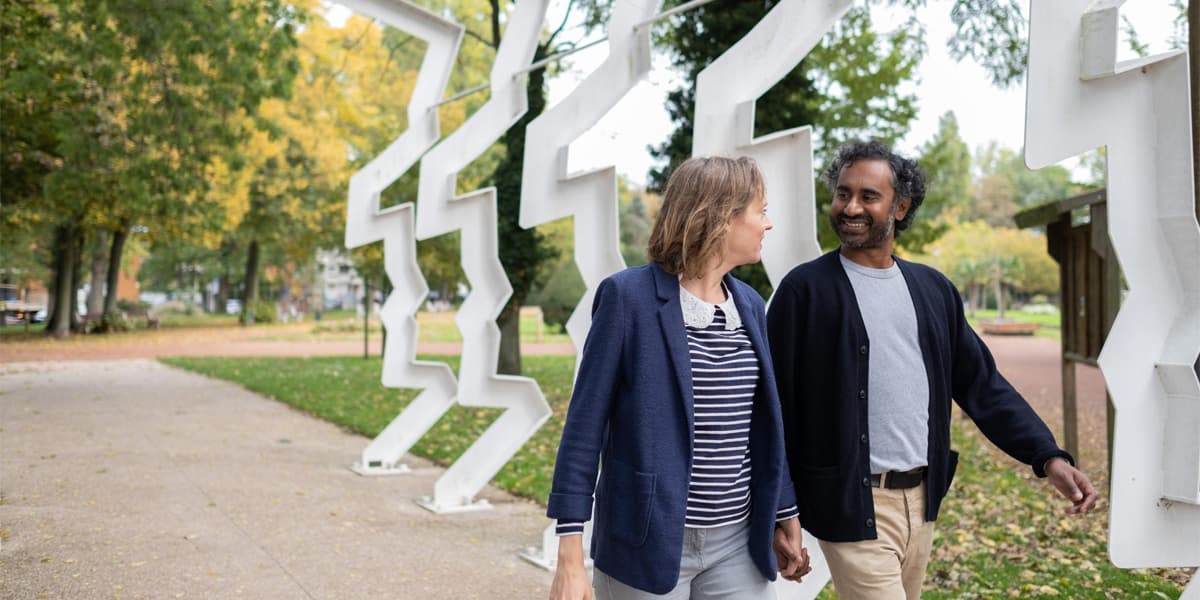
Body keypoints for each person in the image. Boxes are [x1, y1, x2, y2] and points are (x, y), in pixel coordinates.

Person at [766, 140, 1098, 600]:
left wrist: (1047, 456)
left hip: (923, 501)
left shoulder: (933, 290)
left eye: (868, 196)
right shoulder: (804, 291)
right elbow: (772, 407)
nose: (851, 207)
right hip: (850, 501)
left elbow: (982, 384)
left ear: (900, 207)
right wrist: (780, 509)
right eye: (843, 194)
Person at [548, 156, 811, 599]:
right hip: (645, 541)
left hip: (738, 543)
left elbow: (761, 425)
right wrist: (570, 557)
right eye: (760, 211)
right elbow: (583, 429)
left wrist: (785, 514)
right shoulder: (626, 299)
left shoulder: (750, 304)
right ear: (723, 217)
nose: (768, 225)